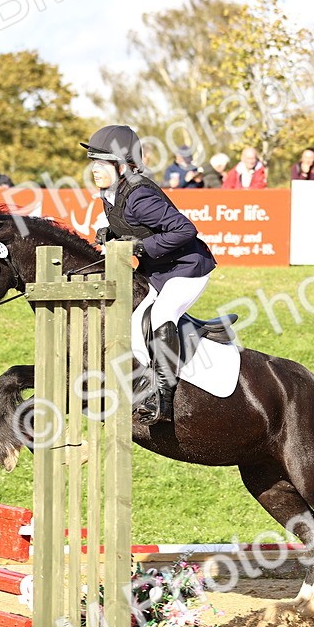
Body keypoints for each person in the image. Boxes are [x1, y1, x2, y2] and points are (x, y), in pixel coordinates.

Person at [81, 124, 216, 425]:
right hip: (160, 272)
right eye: (93, 162)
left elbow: (186, 229)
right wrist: (110, 231)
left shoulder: (140, 195)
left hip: (188, 268)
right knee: (134, 324)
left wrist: (141, 246)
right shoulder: (110, 193)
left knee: (161, 315)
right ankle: (145, 386)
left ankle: (165, 397)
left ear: (122, 164)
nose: (95, 169)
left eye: (101, 163)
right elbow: (129, 225)